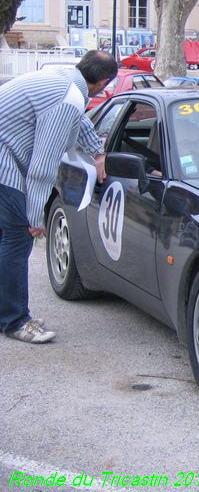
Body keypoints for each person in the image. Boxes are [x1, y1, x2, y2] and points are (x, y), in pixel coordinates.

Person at [0, 50, 118, 343]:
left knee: (7, 239)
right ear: (102, 82)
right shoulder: (69, 96)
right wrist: (36, 214)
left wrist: (98, 152)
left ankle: (8, 312)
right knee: (18, 238)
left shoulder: (66, 80)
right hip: (5, 161)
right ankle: (15, 320)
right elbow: (43, 164)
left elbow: (79, 121)